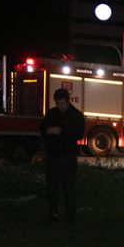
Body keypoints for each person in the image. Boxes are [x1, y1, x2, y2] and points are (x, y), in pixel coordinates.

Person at [39, 88, 85, 221]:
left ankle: (71, 215)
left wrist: (62, 132)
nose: (60, 106)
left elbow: (79, 134)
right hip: (52, 156)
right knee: (52, 187)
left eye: (62, 103)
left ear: (68, 101)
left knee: (68, 186)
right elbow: (42, 129)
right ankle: (53, 213)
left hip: (67, 157)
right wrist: (48, 131)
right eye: (58, 103)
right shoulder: (52, 114)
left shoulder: (76, 115)